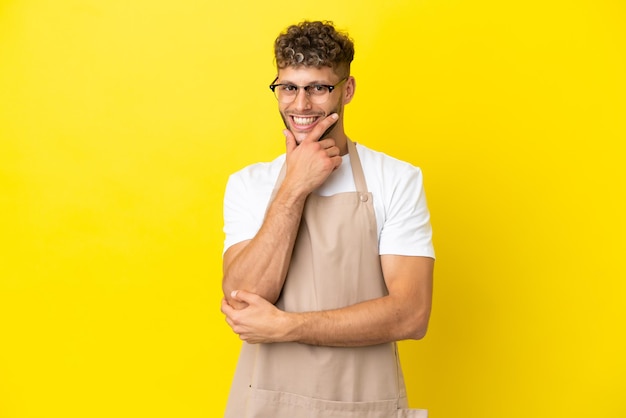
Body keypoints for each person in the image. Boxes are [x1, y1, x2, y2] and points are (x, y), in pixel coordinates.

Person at [220, 20, 435, 418]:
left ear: (346, 90)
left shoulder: (397, 179)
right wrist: (294, 188)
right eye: (288, 87)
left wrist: (287, 327)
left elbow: (411, 313)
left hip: (364, 406)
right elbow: (242, 299)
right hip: (268, 406)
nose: (300, 106)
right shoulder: (249, 184)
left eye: (318, 88)